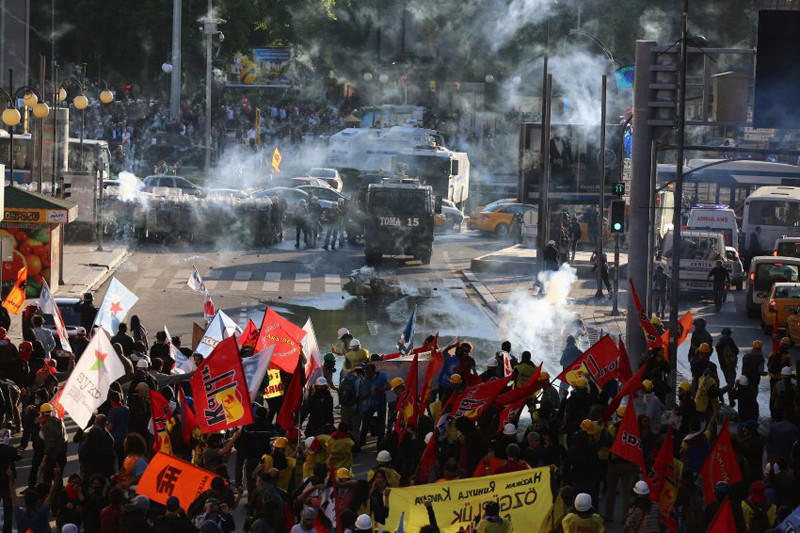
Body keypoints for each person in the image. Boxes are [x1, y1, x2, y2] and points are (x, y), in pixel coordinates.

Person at [715, 328, 739, 405]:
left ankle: (731, 400)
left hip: (723, 365)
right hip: (730, 364)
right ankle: (721, 392)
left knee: (729, 383)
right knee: (731, 383)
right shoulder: (729, 340)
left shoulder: (719, 341)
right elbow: (736, 350)